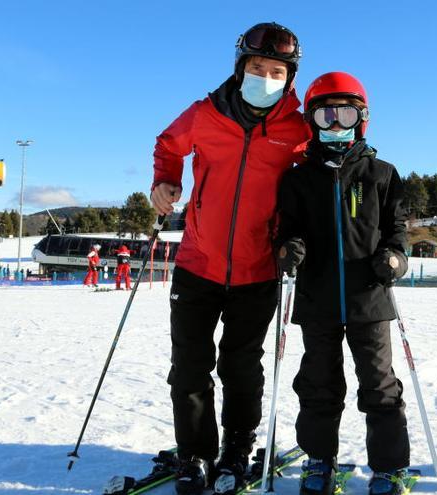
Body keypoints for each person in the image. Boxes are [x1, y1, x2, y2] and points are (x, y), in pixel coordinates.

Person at [150, 22, 310, 495]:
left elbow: (321, 177)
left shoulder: (297, 129)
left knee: (242, 367)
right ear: (240, 68)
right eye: (257, 67)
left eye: (276, 71)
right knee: (189, 367)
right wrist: (165, 180)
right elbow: (167, 144)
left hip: (259, 270)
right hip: (198, 263)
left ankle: (237, 445)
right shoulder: (204, 115)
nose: (265, 76)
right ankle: (194, 453)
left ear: (290, 78)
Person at [274, 72, 410, 495]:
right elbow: (285, 231)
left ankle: (388, 468)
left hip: (369, 298)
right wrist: (287, 250)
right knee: (318, 382)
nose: (335, 123)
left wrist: (395, 259)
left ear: (362, 117)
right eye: (325, 114)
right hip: (317, 300)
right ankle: (319, 460)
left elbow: (398, 231)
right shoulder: (297, 178)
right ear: (310, 120)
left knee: (379, 383)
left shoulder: (382, 174)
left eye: (344, 113)